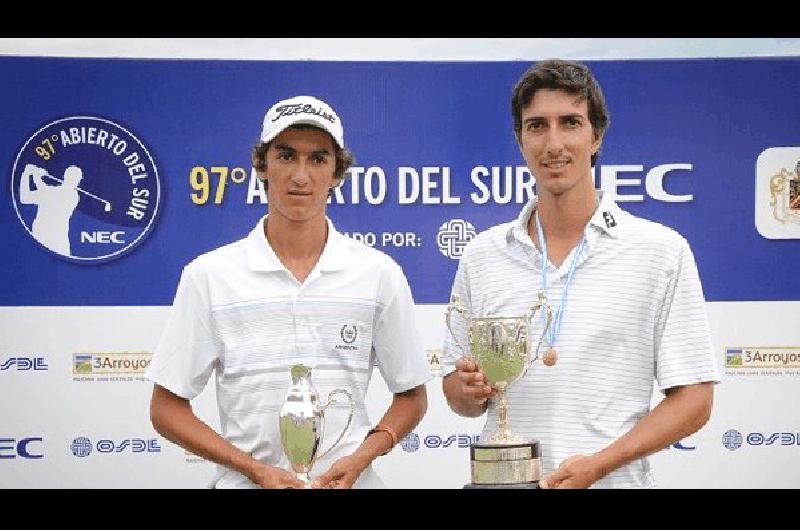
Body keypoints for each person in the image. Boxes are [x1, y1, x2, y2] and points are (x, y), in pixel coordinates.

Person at [442, 60, 720, 488]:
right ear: (520, 140)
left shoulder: (661, 252)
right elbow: (459, 399)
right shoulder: (482, 256)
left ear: (596, 136)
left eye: (570, 122)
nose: (554, 143)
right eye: (537, 126)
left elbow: (695, 400)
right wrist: (468, 391)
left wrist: (601, 463)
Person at [146, 95, 430, 489]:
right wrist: (254, 469)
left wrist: (361, 456)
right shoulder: (208, 276)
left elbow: (412, 397)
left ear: (336, 172)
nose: (301, 176)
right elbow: (165, 409)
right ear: (261, 166)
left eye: (318, 159)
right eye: (286, 156)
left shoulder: (379, 274)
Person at [19, 163, 83, 255]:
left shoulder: (71, 196)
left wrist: (27, 173)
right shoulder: (73, 195)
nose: (77, 182)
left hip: (46, 237)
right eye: (77, 179)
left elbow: (25, 197)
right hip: (54, 239)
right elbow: (44, 191)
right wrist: (36, 175)